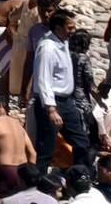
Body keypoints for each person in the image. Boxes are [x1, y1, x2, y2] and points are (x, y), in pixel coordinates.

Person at [31, 10, 92, 167]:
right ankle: (39, 184)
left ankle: (79, 177)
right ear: (58, 28)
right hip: (52, 103)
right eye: (69, 28)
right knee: (47, 147)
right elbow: (43, 79)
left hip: (67, 102)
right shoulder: (47, 48)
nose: (73, 31)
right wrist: (51, 109)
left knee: (81, 142)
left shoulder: (63, 43)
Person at [0, 92, 35, 200]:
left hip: (6, 170)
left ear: (1, 105)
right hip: (23, 170)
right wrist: (31, 173)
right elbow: (32, 153)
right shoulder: (17, 123)